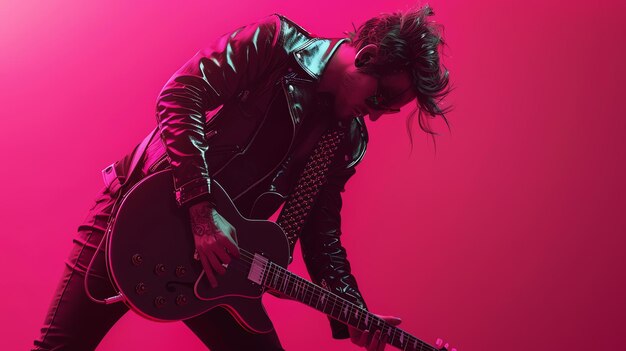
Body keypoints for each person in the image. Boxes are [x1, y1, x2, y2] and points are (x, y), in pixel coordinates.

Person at [33, 4, 452, 351]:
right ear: (366, 57)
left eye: (388, 110)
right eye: (379, 98)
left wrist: (350, 309)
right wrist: (202, 212)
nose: (375, 114)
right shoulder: (275, 43)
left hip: (220, 264)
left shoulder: (347, 139)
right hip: (139, 214)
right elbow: (181, 95)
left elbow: (321, 234)